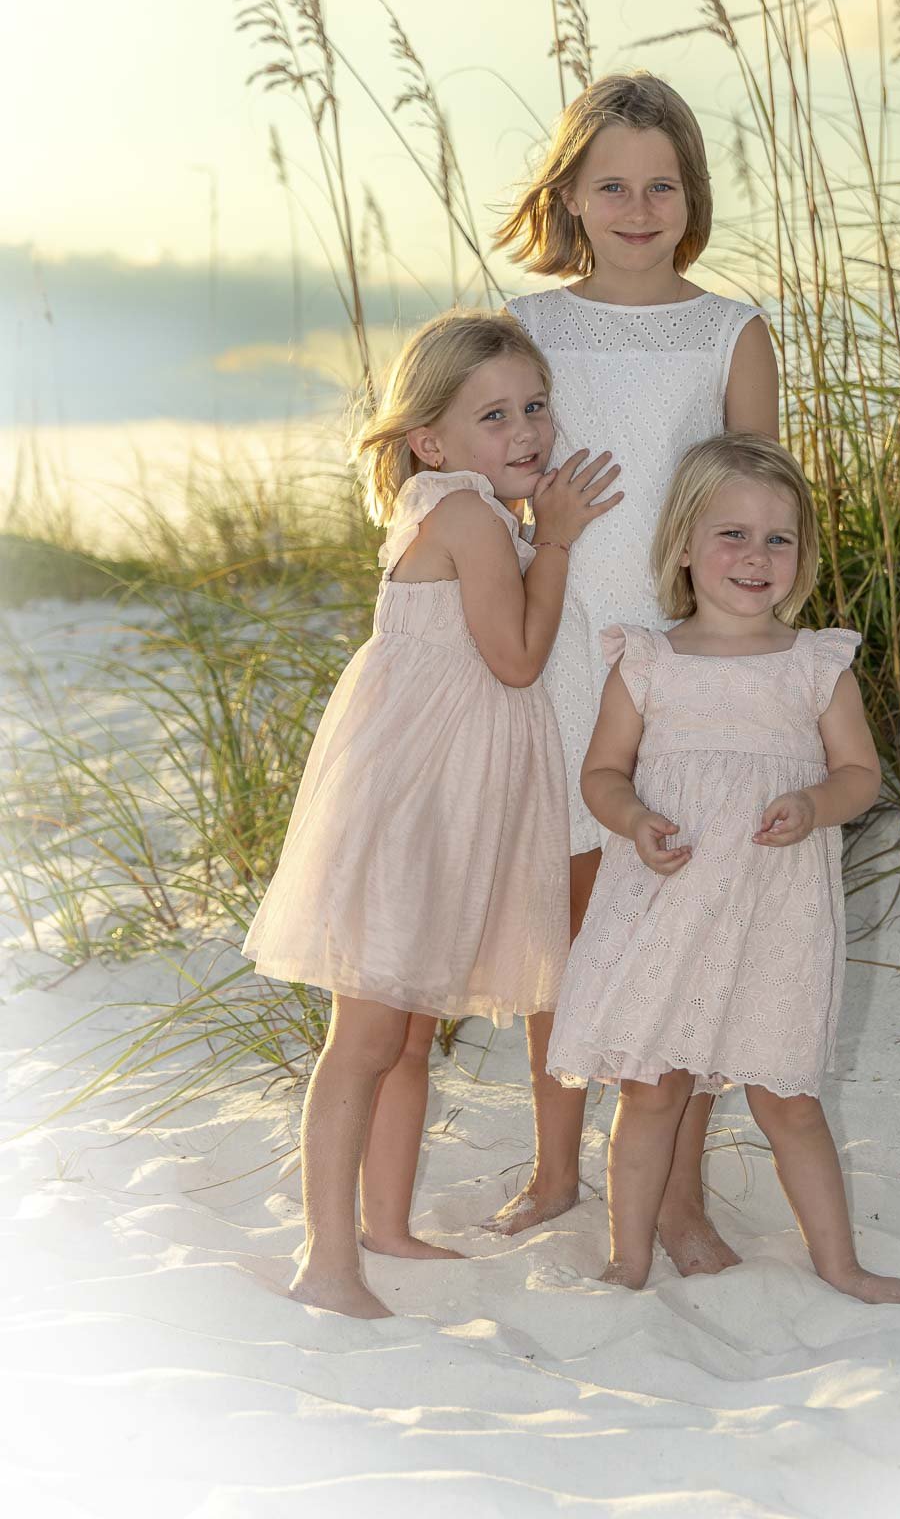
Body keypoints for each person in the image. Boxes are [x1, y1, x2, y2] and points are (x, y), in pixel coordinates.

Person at [242, 309, 621, 1318]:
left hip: (430, 800)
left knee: (407, 1039)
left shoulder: (456, 507)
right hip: (411, 811)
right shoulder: (467, 517)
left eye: (534, 405)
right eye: (492, 416)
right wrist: (557, 541)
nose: (526, 431)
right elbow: (519, 659)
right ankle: (326, 1260)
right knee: (368, 1039)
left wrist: (534, 533)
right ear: (430, 440)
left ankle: (386, 1226)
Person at [493, 70, 779, 1275]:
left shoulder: (729, 331)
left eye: (661, 185)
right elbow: (481, 471)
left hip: (682, 663)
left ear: (691, 195)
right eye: (609, 185)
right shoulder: (526, 326)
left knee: (682, 929)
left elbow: (760, 502)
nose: (637, 208)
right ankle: (556, 1166)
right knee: (565, 920)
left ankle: (674, 1191)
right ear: (569, 194)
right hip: (559, 646)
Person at [548, 433, 900, 1304]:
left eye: (777, 539)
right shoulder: (647, 661)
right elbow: (601, 774)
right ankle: (628, 1260)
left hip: (774, 910)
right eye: (733, 535)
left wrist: (815, 803)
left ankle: (841, 1265)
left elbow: (859, 774)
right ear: (684, 545)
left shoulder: (816, 665)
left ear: (802, 555)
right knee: (652, 1088)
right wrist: (634, 819)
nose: (757, 557)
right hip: (669, 903)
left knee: (787, 1098)